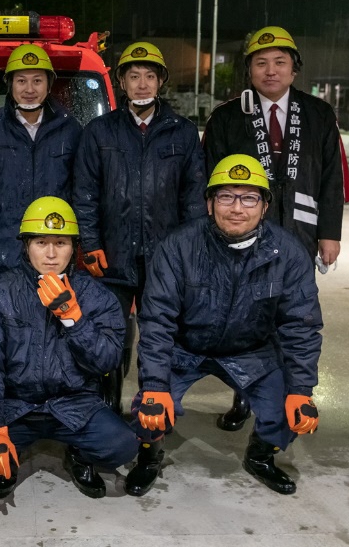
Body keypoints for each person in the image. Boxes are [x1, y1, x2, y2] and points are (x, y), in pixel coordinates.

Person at [124, 155, 323, 497]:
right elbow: (157, 319)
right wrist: (156, 384)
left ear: (264, 206)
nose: (237, 208)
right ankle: (150, 455)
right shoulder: (179, 246)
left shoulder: (288, 253)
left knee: (288, 412)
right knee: (149, 409)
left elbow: (301, 326)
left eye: (249, 198)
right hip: (186, 347)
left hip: (252, 349)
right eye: (226, 196)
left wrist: (301, 389)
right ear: (209, 202)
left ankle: (261, 457)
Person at [202, 26, 344, 431]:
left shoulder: (318, 114)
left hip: (300, 231)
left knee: (294, 317)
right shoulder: (228, 117)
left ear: (294, 69)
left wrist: (330, 234)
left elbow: (332, 178)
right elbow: (209, 182)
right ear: (249, 70)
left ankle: (289, 396)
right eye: (261, 63)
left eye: (280, 62)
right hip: (244, 234)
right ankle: (244, 397)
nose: (270, 71)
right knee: (246, 318)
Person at [0, 196, 136, 500]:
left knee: (122, 445)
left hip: (73, 404)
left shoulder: (97, 296)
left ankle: (79, 456)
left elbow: (108, 359)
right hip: (16, 405)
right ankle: (8, 458)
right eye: (41, 242)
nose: (52, 254)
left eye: (61, 242)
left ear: (75, 247)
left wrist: (74, 319)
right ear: (26, 245)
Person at [73, 41, 207, 416]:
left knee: (160, 333)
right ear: (122, 82)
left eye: (150, 76)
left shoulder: (182, 132)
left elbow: (194, 199)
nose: (142, 84)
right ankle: (107, 400)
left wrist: (189, 253)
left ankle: (154, 399)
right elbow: (85, 193)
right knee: (109, 332)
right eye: (134, 76)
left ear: (161, 81)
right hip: (112, 256)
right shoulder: (100, 132)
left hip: (165, 259)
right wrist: (90, 243)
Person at [0, 44, 82, 278]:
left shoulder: (71, 130)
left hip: (54, 254)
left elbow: (80, 184)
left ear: (49, 84)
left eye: (37, 81)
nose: (29, 89)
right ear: (10, 85)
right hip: (3, 252)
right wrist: (5, 204)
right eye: (21, 81)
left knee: (53, 314)